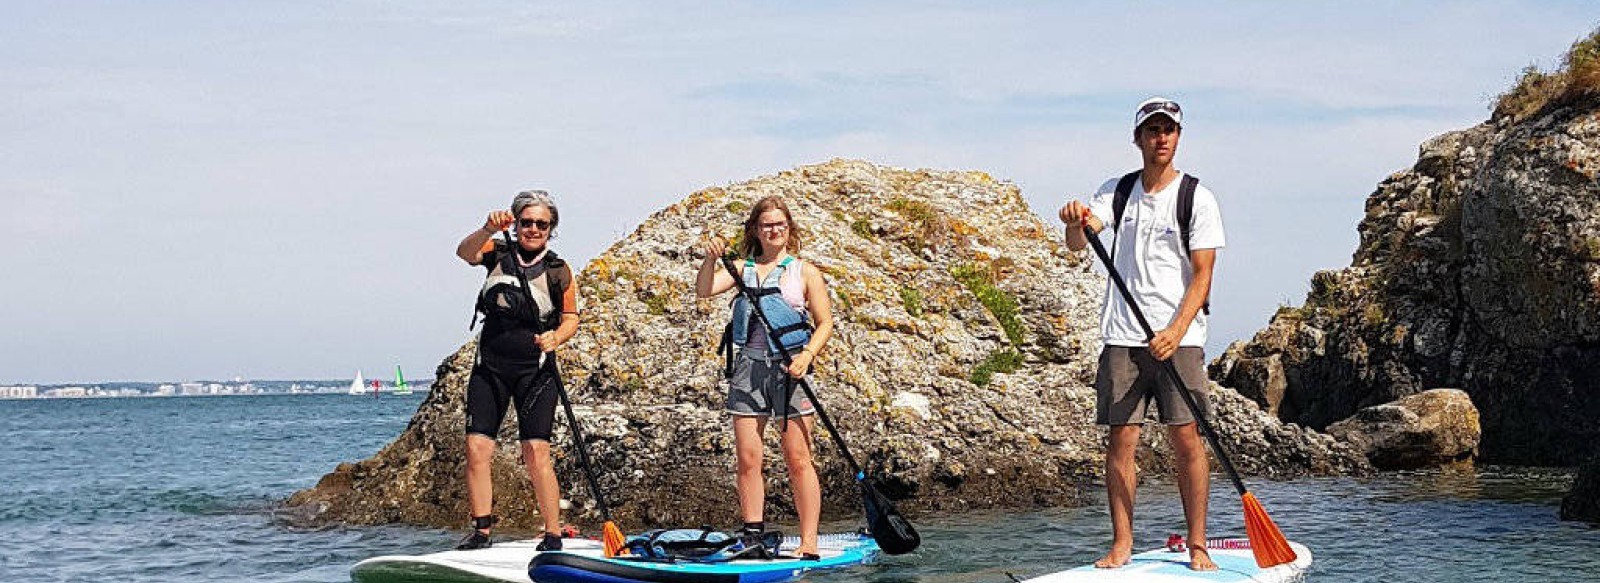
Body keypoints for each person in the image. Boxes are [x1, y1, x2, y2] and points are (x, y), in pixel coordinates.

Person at [1060, 97, 1226, 571]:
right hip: (1122, 337)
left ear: (1178, 136)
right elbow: (1081, 242)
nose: (1161, 138)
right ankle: (1121, 544)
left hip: (1181, 340)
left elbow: (1203, 275)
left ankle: (1198, 545)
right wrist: (1075, 223)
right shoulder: (1116, 192)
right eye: (1152, 130)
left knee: (1188, 438)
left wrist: (1175, 331)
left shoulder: (1198, 197)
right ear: (1137, 139)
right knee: (1121, 440)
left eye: (1168, 130)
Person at [694, 195, 835, 560]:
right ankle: (753, 534)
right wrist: (711, 259)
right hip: (749, 368)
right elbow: (705, 290)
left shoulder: (804, 272)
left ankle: (808, 540)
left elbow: (825, 324)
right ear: (756, 230)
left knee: (797, 457)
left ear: (789, 229)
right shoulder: (741, 268)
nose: (774, 230)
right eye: (767, 225)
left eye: (780, 225)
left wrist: (807, 355)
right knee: (748, 457)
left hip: (790, 368)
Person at [452, 190, 580, 551]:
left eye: (542, 224)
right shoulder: (497, 251)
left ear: (551, 228)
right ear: (516, 223)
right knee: (476, 448)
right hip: (489, 367)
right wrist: (486, 228)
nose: (533, 229)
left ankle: (553, 533)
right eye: (526, 222)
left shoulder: (558, 269)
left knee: (535, 451)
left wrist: (557, 337)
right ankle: (481, 532)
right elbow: (464, 252)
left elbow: (571, 317)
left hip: (535, 371)